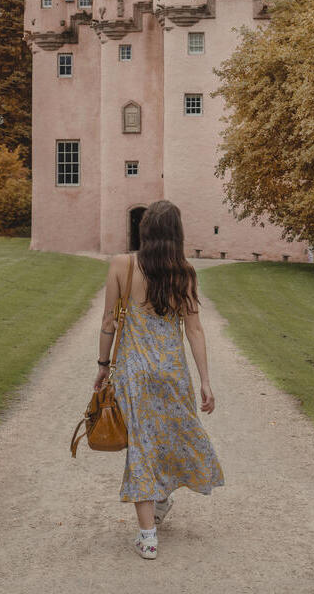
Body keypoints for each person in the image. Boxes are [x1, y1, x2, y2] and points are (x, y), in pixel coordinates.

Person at [94, 200, 224, 560]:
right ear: (176, 234)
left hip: (134, 373)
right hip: (172, 373)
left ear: (145, 230)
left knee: (142, 446)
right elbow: (194, 329)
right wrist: (205, 381)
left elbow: (109, 322)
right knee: (169, 437)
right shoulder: (184, 273)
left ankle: (148, 534)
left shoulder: (123, 264)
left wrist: (103, 365)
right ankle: (160, 502)